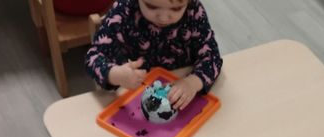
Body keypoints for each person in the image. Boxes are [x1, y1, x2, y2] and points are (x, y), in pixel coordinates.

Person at [85, 0, 223, 110]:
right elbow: (93, 57)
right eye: (151, 6)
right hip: (136, 97)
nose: (163, 18)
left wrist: (192, 83)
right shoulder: (123, 11)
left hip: (183, 98)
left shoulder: (194, 12)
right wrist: (115, 74)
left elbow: (212, 56)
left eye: (176, 8)